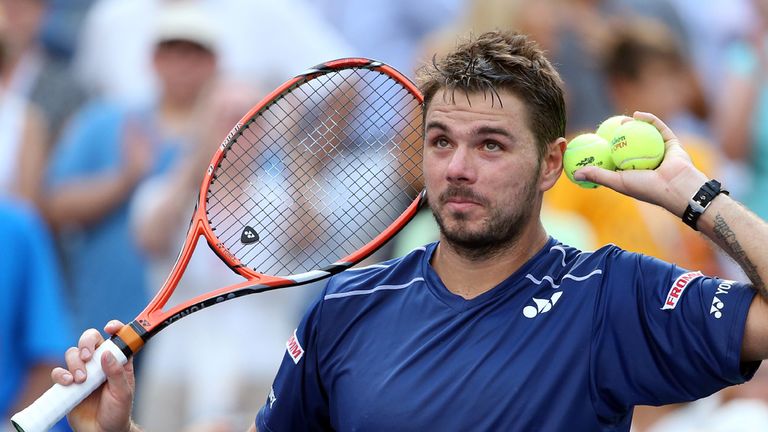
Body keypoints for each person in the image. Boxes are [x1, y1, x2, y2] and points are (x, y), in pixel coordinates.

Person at [52, 30, 768, 431]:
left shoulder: (611, 293)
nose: (458, 167)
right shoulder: (346, 307)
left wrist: (694, 196)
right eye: (440, 141)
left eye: (491, 145)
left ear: (552, 163)